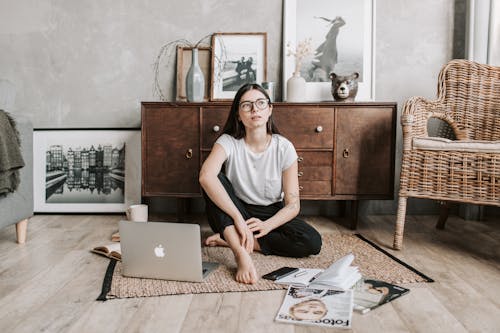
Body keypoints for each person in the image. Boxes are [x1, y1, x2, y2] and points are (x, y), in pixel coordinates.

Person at [199, 83, 322, 285]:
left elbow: (293, 205)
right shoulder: (228, 141)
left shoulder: (284, 147)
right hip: (236, 208)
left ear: (270, 109)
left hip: (269, 212)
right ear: (238, 114)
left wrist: (267, 225)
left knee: (311, 241)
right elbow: (205, 176)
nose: (254, 109)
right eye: (247, 105)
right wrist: (238, 218)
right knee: (213, 181)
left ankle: (229, 238)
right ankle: (240, 252)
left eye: (260, 103)